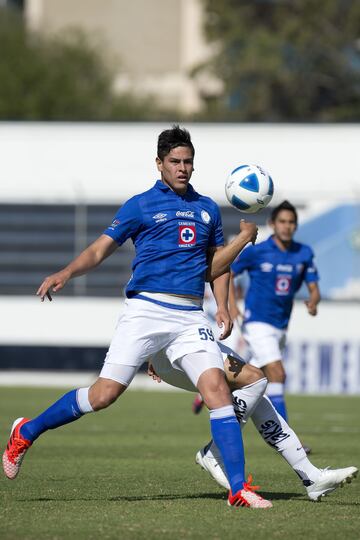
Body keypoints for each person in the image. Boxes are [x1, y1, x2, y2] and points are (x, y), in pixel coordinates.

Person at [2, 125, 272, 509]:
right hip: (145, 311)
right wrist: (65, 272)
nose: (183, 168)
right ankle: (26, 431)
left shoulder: (207, 208)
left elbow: (216, 266)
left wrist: (224, 304)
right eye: (175, 161)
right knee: (104, 395)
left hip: (189, 316)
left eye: (188, 162)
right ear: (159, 164)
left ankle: (237, 489)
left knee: (217, 391)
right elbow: (99, 250)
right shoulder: (140, 205)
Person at [148, 342, 358, 502]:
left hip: (197, 339)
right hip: (179, 347)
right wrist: (153, 350)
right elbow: (150, 301)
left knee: (256, 393)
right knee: (255, 380)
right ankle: (213, 452)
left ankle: (311, 477)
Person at [228, 200, 321, 432]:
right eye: (282, 221)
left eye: (291, 222)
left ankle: (220, 389)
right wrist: (231, 305)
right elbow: (227, 273)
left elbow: (313, 286)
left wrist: (314, 300)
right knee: (277, 373)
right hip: (256, 322)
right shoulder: (257, 252)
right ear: (272, 224)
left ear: (296, 226)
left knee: (257, 376)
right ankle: (287, 437)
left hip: (281, 326)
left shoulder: (304, 253)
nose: (286, 226)